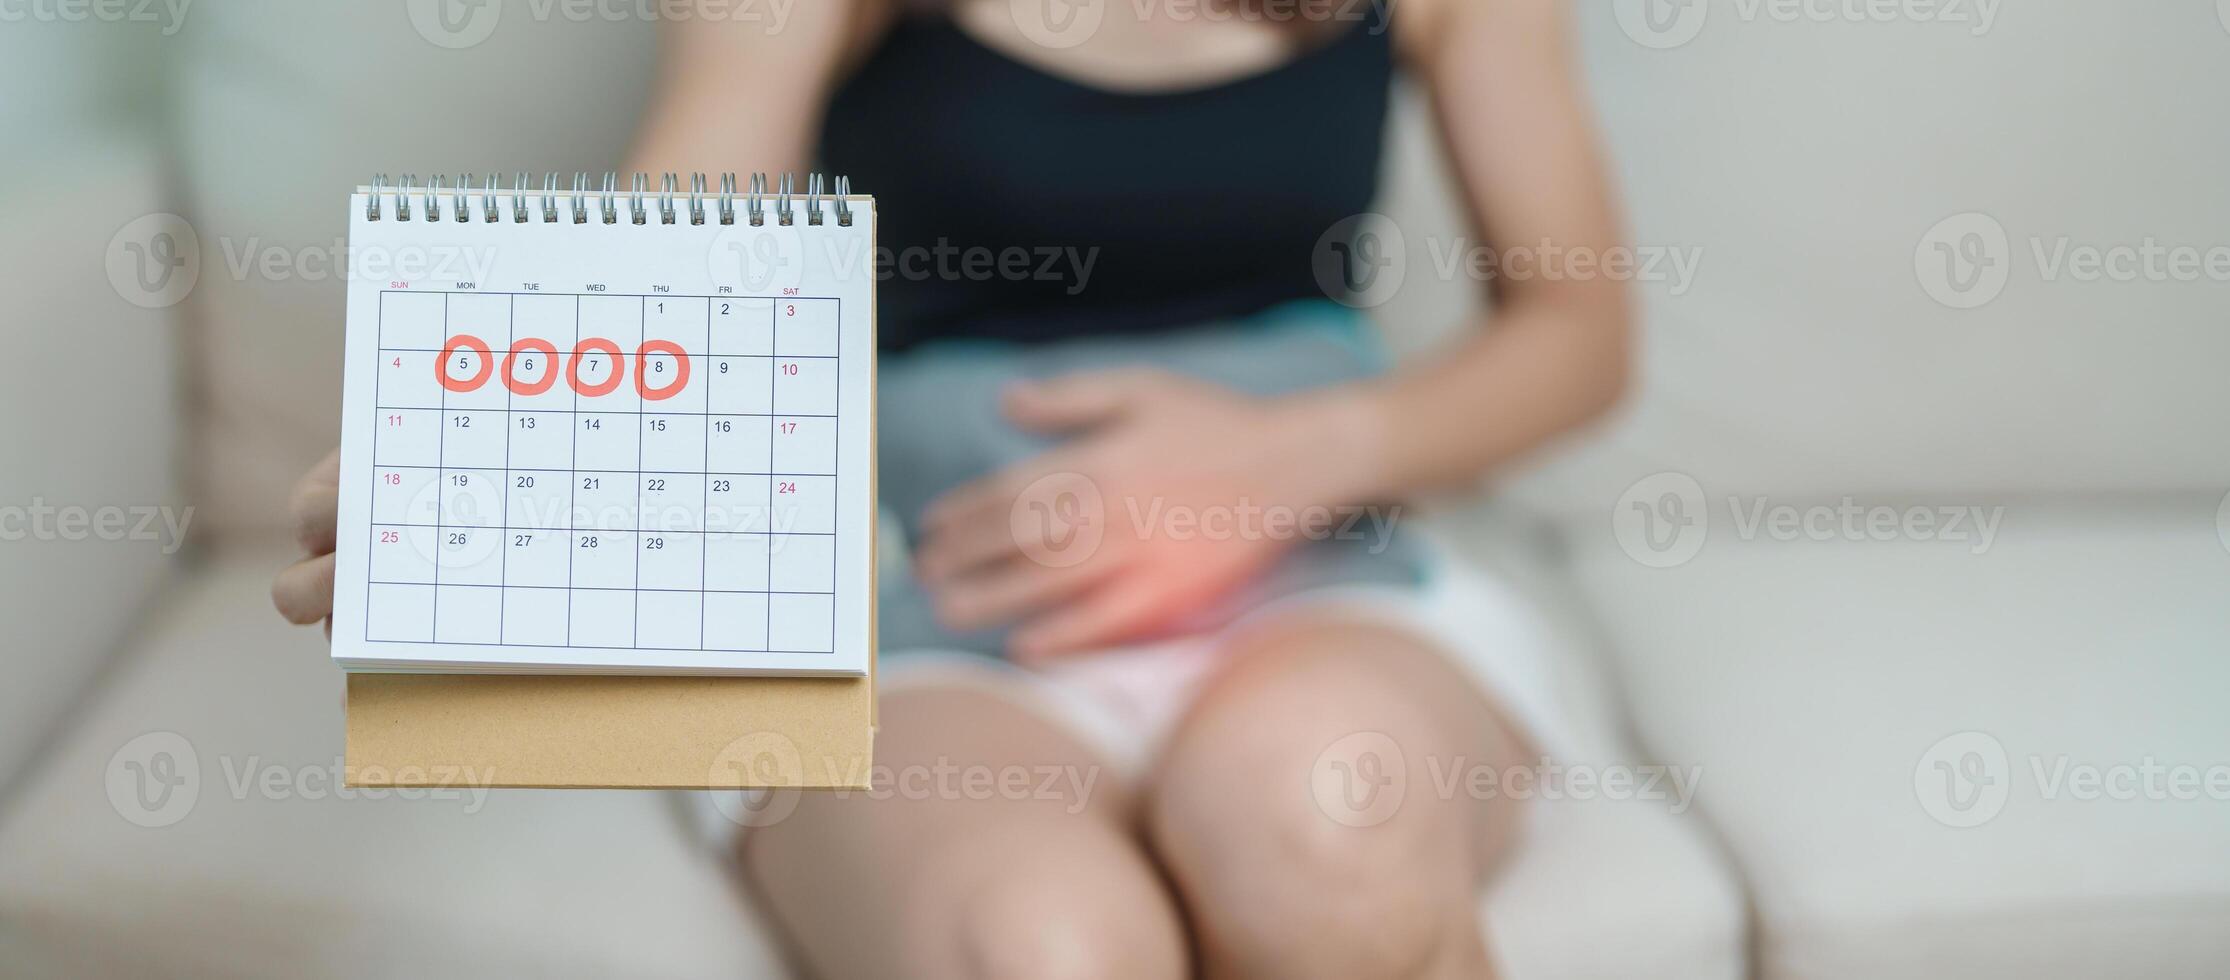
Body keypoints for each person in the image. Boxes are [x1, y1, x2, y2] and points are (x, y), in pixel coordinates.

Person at [274, 0, 1630, 975]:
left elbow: (1580, 335)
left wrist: (1286, 458)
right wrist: (496, 466)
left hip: (1320, 590)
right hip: (918, 617)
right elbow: (671, 273)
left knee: (1331, 840)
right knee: (1037, 949)